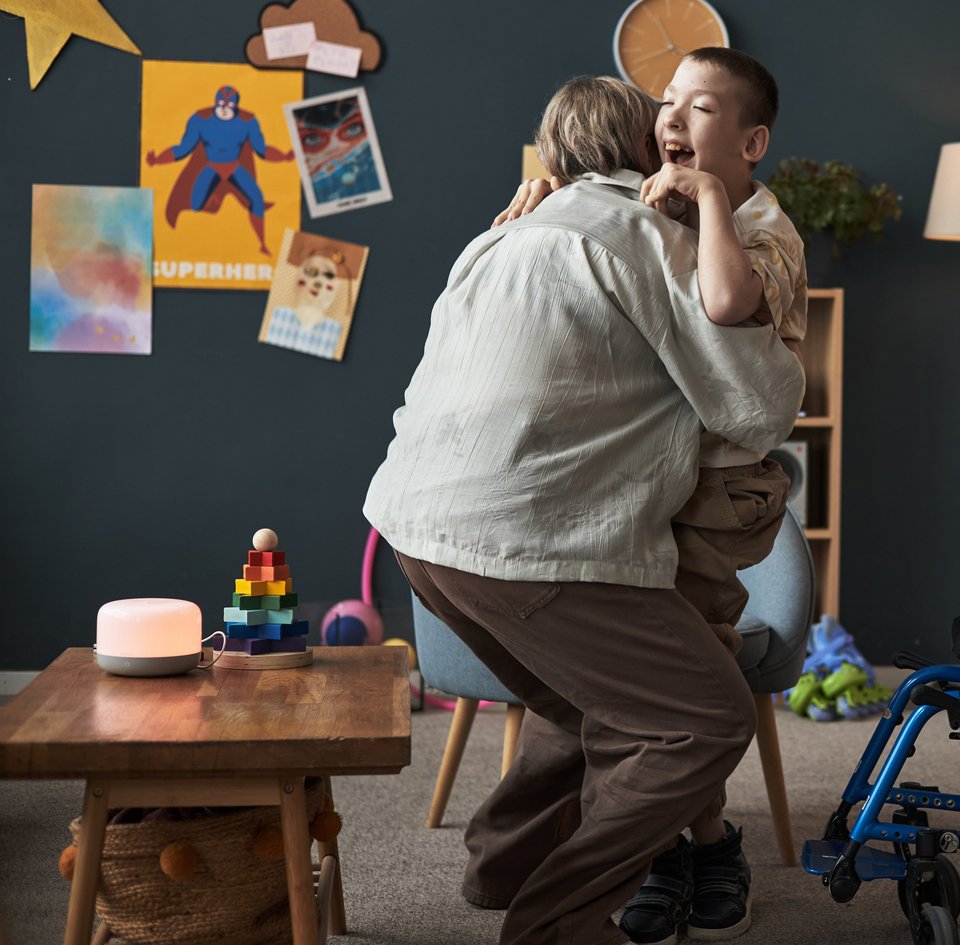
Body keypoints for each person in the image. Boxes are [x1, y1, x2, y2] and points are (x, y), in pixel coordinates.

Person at [363, 75, 804, 945]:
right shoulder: (650, 237)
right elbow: (760, 408)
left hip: (414, 531)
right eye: (666, 120)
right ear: (648, 155)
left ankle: (503, 862)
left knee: (579, 699)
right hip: (532, 539)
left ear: (553, 160)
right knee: (703, 720)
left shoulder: (497, 238)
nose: (677, 129)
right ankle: (556, 922)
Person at [495, 47, 806, 945]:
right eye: (666, 102)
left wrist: (709, 200)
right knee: (640, 691)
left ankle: (693, 848)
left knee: (681, 685)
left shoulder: (765, 227)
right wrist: (541, 205)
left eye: (699, 107)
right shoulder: (657, 206)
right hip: (648, 476)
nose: (671, 117)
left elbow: (720, 303)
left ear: (751, 142)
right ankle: (686, 847)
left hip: (719, 492)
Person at [145, 85, 292, 255]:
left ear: (236, 106)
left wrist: (284, 157)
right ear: (215, 102)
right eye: (221, 104)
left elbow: (262, 150)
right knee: (195, 205)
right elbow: (183, 149)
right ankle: (213, 197)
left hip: (234, 167)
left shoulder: (248, 121)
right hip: (212, 166)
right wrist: (157, 160)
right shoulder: (200, 119)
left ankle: (263, 244)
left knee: (257, 199)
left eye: (229, 106)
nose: (224, 109)